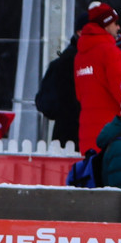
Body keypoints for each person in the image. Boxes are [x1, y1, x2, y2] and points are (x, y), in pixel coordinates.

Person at [74, 1, 121, 153]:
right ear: (105, 24)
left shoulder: (80, 55)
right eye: (115, 23)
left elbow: (80, 95)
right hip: (112, 132)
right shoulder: (110, 52)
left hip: (87, 133)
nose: (118, 27)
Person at [35, 12, 87, 148]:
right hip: (73, 132)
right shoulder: (72, 60)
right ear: (81, 32)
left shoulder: (70, 57)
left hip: (67, 131)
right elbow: (70, 101)